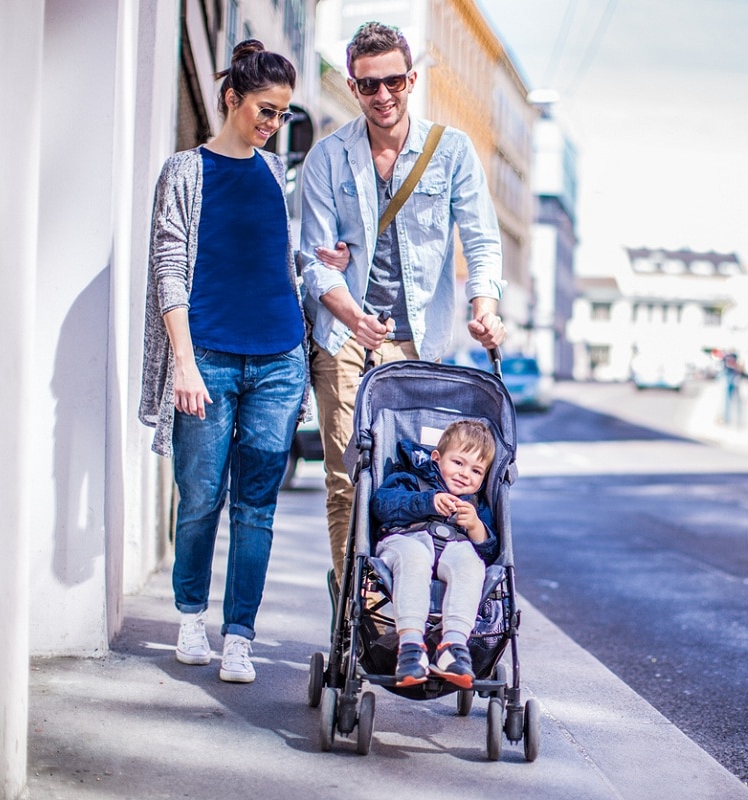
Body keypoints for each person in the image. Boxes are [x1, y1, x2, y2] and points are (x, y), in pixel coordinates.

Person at [139, 40, 328, 683]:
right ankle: (191, 614)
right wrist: (183, 364)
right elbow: (169, 267)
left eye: (281, 114)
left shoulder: (276, 175)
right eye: (264, 110)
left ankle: (240, 632)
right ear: (231, 99)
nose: (272, 124)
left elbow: (274, 263)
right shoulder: (185, 171)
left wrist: (318, 267)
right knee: (199, 498)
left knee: (257, 505)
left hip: (278, 357)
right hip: (209, 358)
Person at [299, 21, 507, 580]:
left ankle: (401, 597)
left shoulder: (451, 151)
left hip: (419, 342)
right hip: (345, 338)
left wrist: (484, 307)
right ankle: (358, 610)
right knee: (346, 477)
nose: (382, 95)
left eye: (393, 81)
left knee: (406, 477)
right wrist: (352, 316)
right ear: (352, 86)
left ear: (411, 79)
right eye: (368, 85)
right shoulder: (328, 158)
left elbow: (482, 240)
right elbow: (314, 261)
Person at [370, 420, 499, 688]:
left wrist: (475, 526)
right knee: (414, 557)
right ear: (436, 458)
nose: (465, 474)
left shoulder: (476, 505)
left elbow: (489, 553)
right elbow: (382, 505)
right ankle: (411, 646)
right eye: (458, 463)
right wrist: (426, 502)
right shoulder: (411, 479)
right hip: (405, 540)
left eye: (476, 470)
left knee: (472, 564)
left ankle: (453, 645)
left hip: (454, 548)